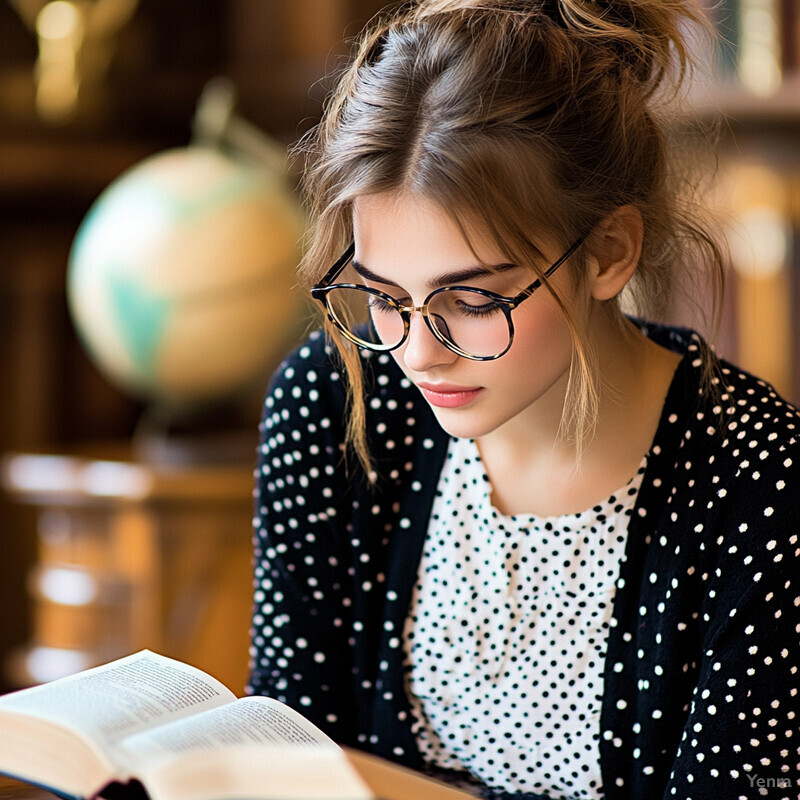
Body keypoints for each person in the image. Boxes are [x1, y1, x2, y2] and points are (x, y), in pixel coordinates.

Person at [247, 2, 800, 798]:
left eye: (472, 300)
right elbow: (287, 750)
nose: (417, 351)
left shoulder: (758, 478)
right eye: (385, 298)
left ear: (610, 252)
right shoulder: (333, 402)